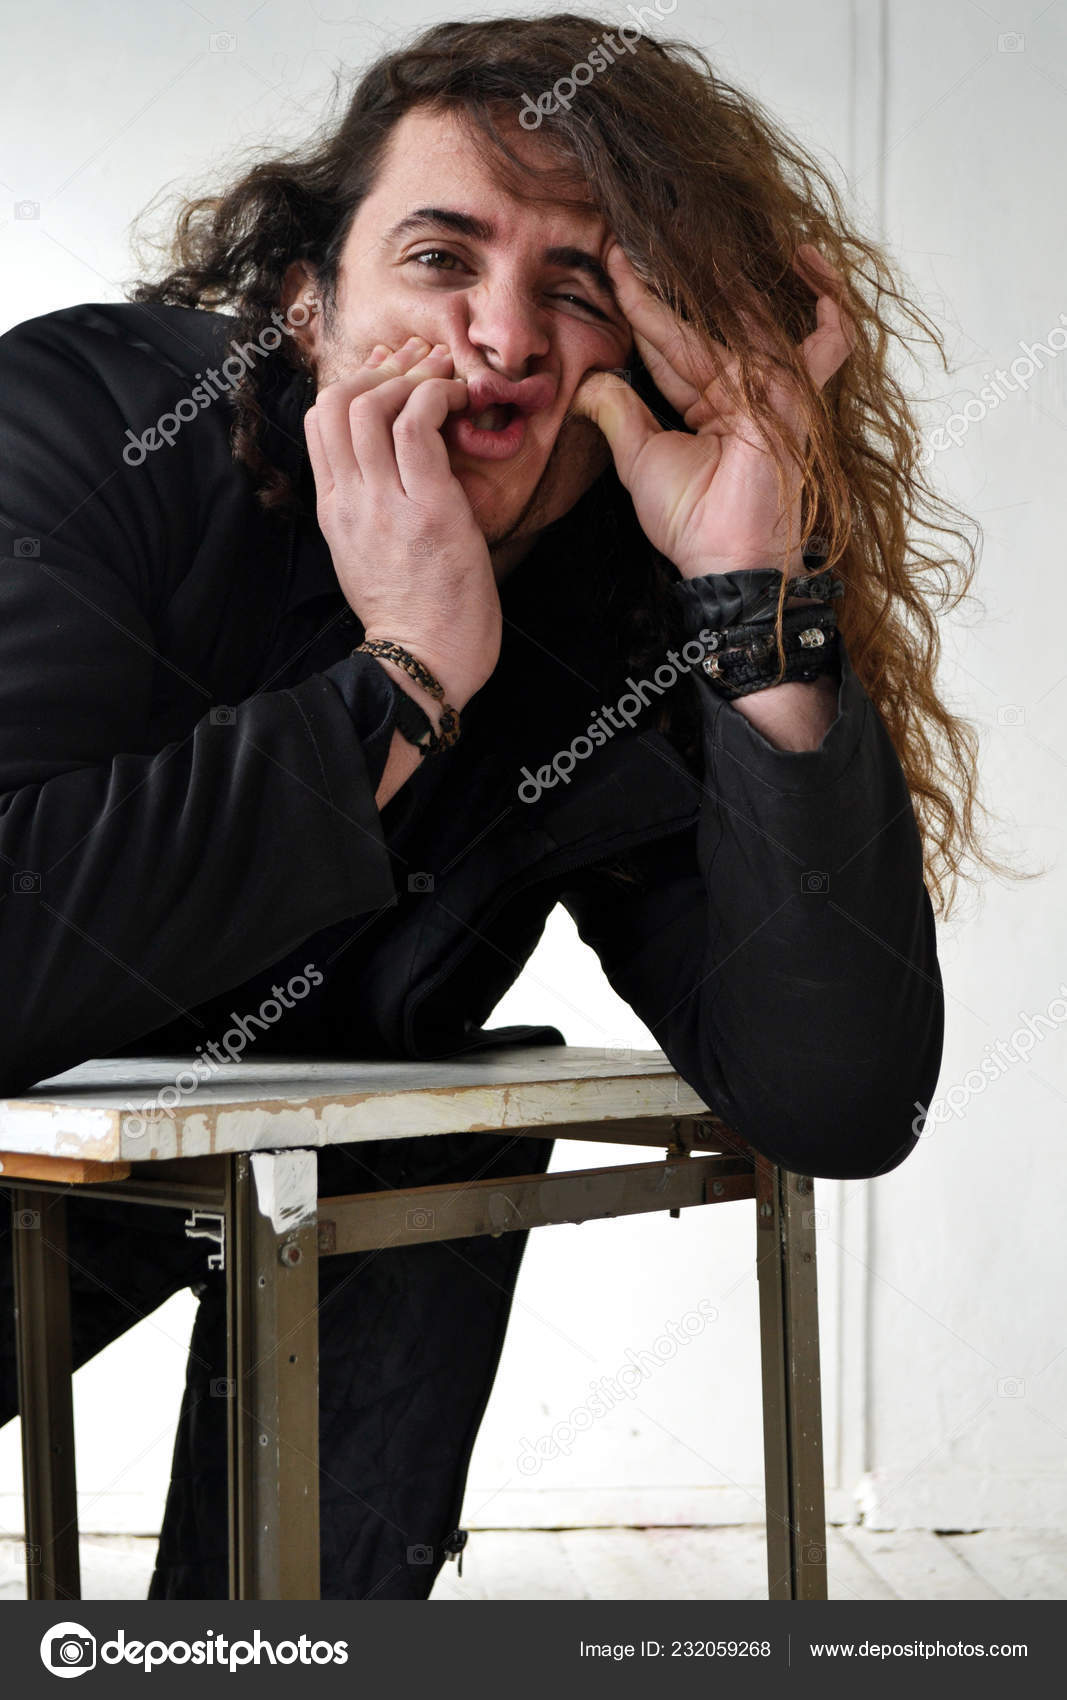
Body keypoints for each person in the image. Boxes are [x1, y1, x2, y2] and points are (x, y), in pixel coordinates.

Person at [0, 13, 990, 1600]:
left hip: (263, 1205)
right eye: (443, 258)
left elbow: (840, 1094)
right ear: (308, 303)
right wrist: (397, 684)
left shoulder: (613, 621)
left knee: (415, 1113)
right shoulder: (80, 430)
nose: (505, 338)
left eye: (577, 288)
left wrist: (755, 605)